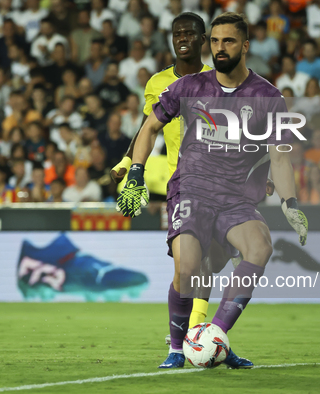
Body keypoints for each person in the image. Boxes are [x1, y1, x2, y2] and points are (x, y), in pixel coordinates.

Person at [116, 12, 307, 369]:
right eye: (215, 41)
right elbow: (150, 127)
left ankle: (214, 336)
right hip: (191, 188)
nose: (220, 48)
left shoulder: (268, 96)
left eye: (229, 41)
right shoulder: (190, 86)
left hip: (235, 197)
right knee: (190, 269)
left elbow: (280, 158)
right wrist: (137, 173)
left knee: (260, 246)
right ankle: (177, 347)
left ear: (245, 46)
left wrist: (290, 204)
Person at [110, 12, 215, 343]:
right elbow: (147, 128)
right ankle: (184, 336)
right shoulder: (157, 83)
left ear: (202, 39)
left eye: (189, 33)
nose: (182, 38)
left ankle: (192, 334)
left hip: (219, 184)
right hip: (181, 183)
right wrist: (128, 163)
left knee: (206, 265)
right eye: (176, 34)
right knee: (186, 268)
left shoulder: (220, 79)